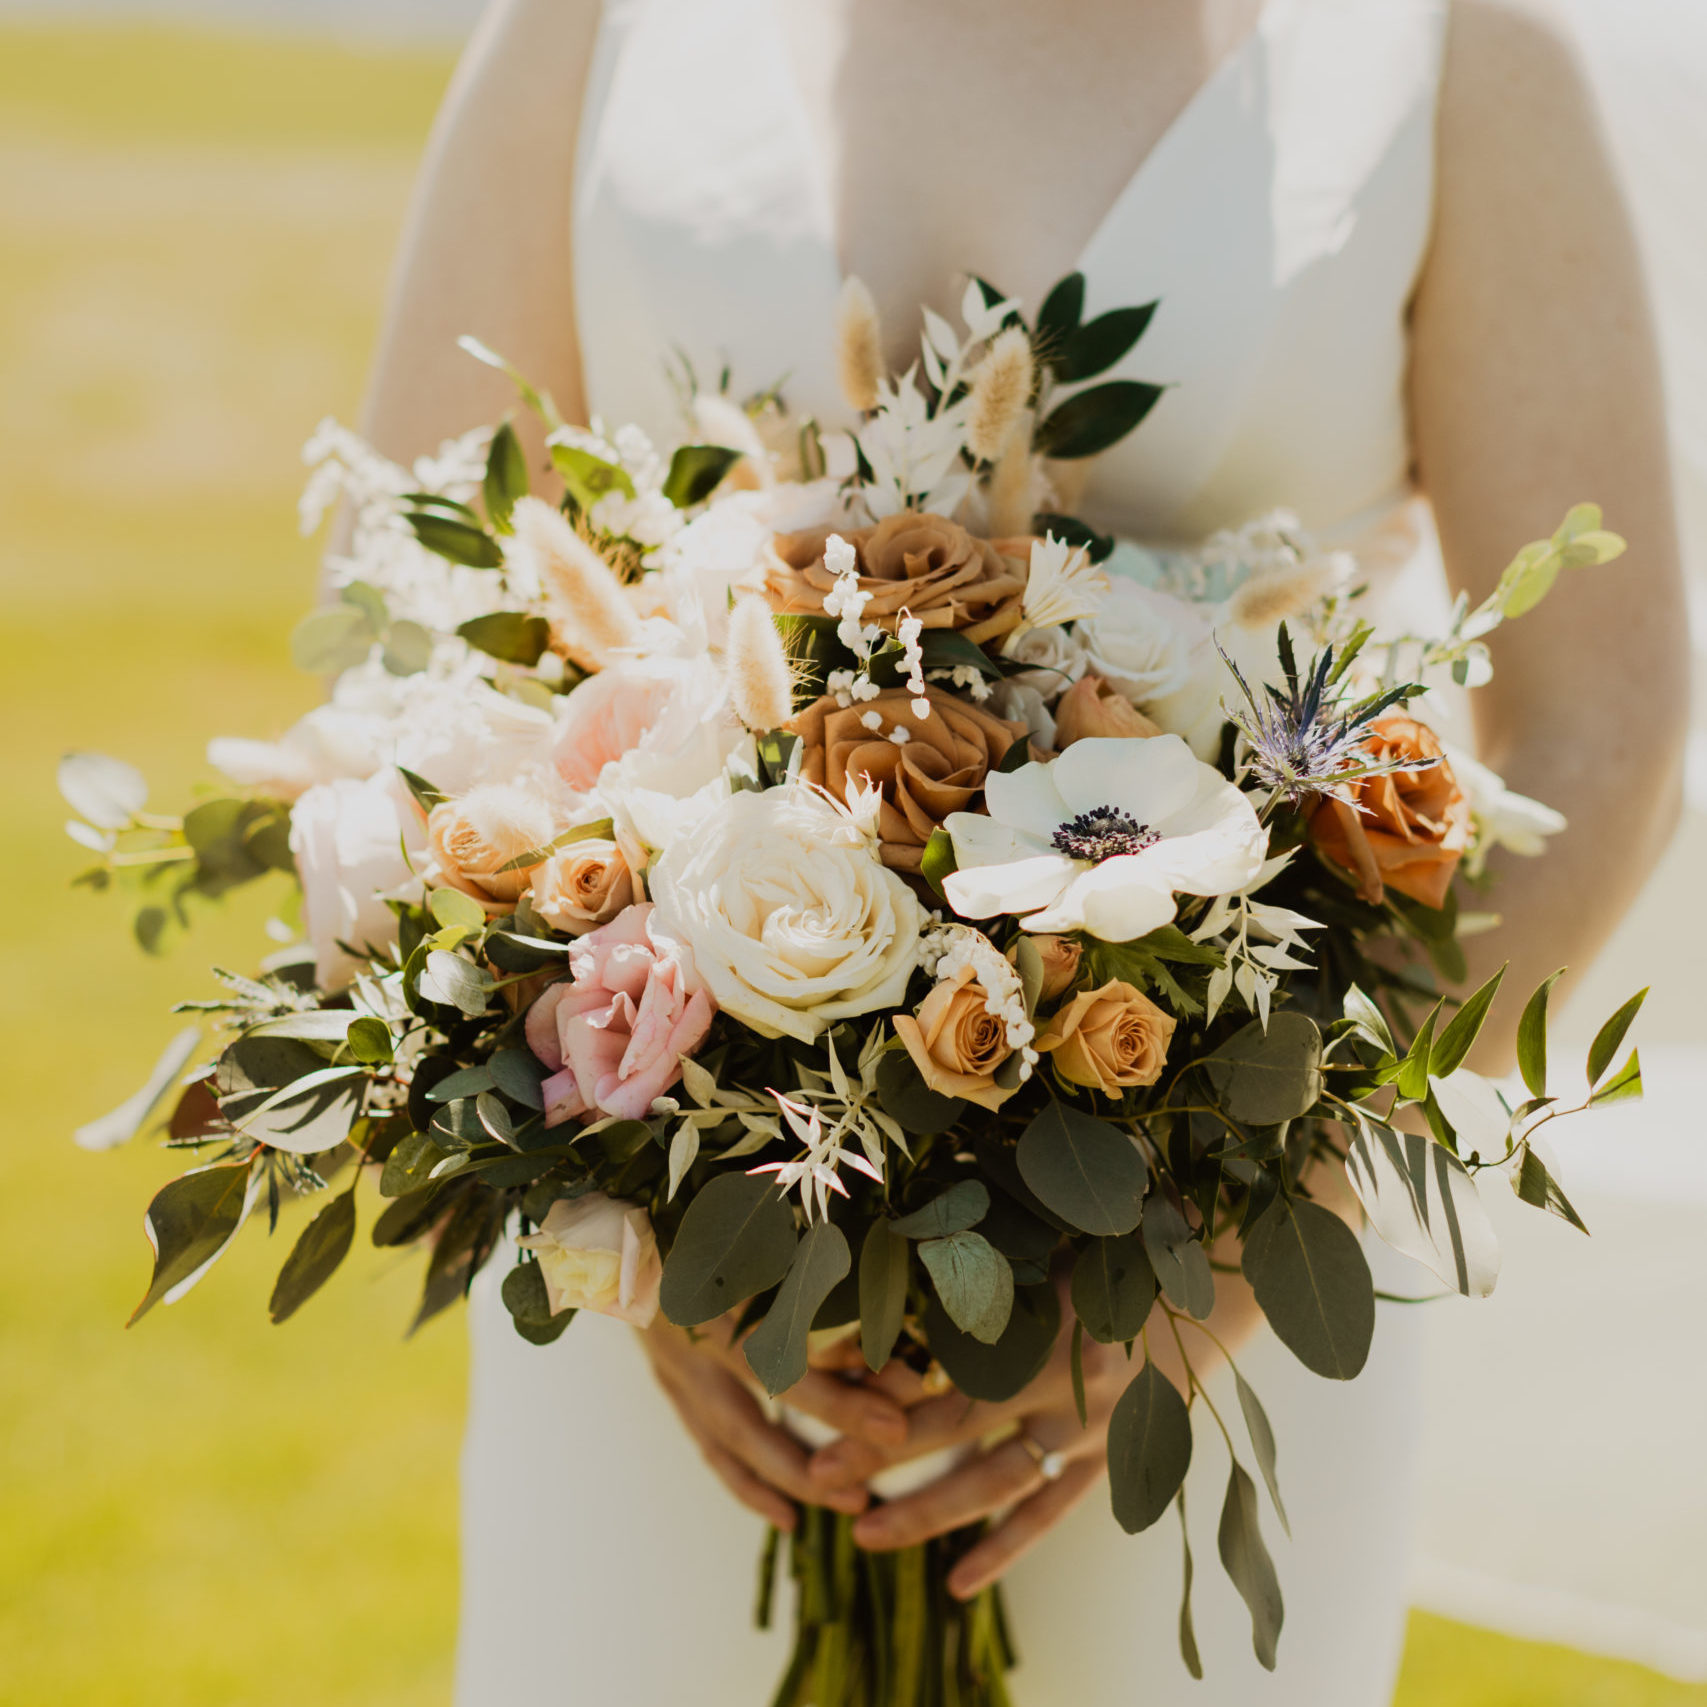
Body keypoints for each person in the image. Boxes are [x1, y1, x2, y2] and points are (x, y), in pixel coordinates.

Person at [354, 2, 1689, 1700]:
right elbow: (401, 648)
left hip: (1205, 1303)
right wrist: (600, 1229)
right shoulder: (593, 24)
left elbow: (1604, 727)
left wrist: (1232, 1265)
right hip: (667, 1322)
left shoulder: (1446, 51)